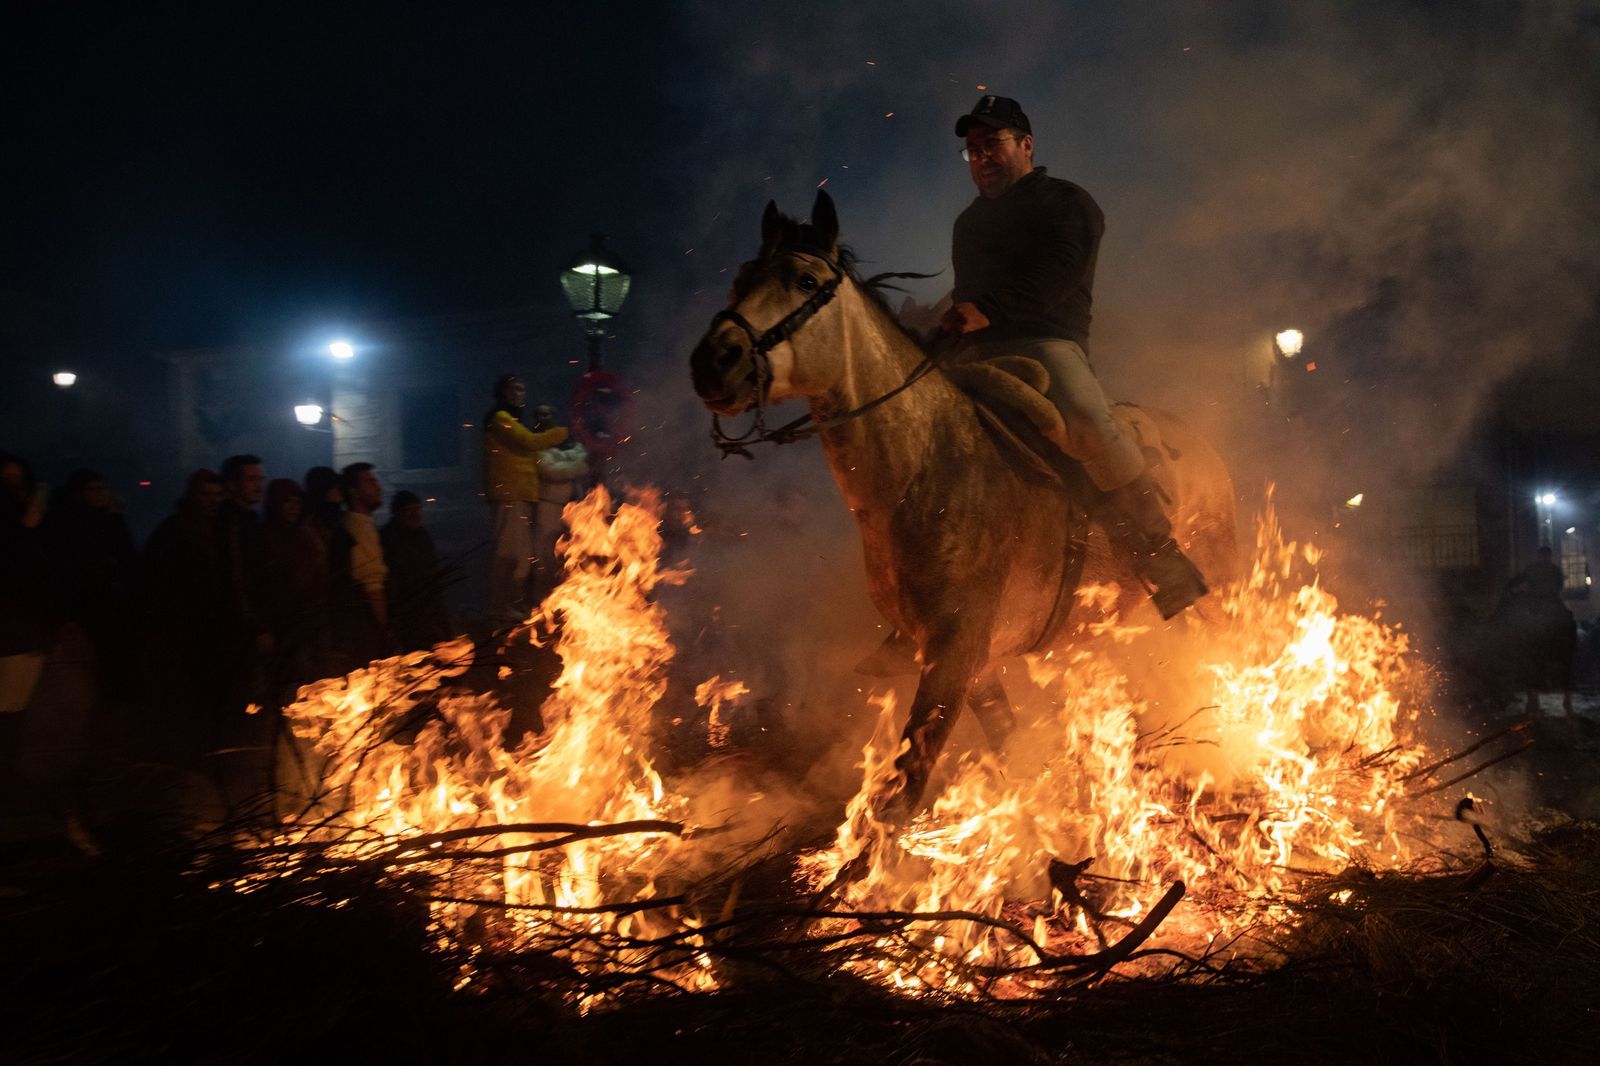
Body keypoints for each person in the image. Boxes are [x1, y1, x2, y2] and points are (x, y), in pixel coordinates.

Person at [945, 95, 1207, 618]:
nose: (981, 157)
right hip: (979, 352)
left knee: (1086, 422)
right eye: (972, 149)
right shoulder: (967, 224)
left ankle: (1162, 556)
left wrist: (988, 310)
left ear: (1025, 145)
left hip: (1047, 345)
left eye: (991, 144)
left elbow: (1058, 276)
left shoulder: (1066, 203)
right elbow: (968, 299)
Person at [142, 469, 229, 763]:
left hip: (207, 638)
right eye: (206, 495)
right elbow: (156, 586)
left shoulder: (214, 532)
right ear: (193, 495)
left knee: (204, 708)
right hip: (179, 639)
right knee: (182, 709)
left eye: (217, 495)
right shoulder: (174, 532)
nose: (212, 501)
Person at [41, 468, 140, 702]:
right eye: (93, 490)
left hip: (106, 599)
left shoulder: (107, 519)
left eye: (102, 489)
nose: (100, 494)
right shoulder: (70, 524)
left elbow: (126, 558)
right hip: (87, 602)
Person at [481, 375, 568, 627]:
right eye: (514, 388)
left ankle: (511, 604)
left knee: (521, 556)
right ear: (502, 392)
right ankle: (499, 606)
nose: (520, 393)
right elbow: (530, 442)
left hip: (519, 496)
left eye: (522, 388)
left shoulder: (511, 420)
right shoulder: (500, 419)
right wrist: (565, 432)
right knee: (507, 553)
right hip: (508, 495)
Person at [0, 452, 55, 794]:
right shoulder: (19, 530)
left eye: (19, 481)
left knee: (12, 712)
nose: (15, 490)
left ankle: (8, 775)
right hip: (15, 632)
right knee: (8, 711)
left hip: (23, 633)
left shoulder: (36, 528)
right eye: (7, 483)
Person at [261, 478, 330, 696]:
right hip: (281, 628)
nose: (293, 508)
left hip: (310, 625)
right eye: (286, 502)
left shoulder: (307, 537)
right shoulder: (264, 538)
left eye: (297, 502)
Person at [327, 462, 389, 667]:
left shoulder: (356, 524)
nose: (377, 486)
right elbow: (372, 586)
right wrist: (384, 631)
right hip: (363, 632)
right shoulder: (358, 529)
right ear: (354, 492)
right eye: (369, 482)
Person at [381, 490, 451, 651]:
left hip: (427, 611)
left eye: (417, 510)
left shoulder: (422, 535)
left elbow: (432, 573)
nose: (415, 515)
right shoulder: (388, 539)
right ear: (397, 513)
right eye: (409, 511)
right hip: (406, 615)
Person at [531, 405, 589, 590]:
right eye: (541, 414)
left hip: (571, 508)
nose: (545, 417)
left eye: (548, 413)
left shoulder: (566, 442)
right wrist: (575, 467)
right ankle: (542, 599)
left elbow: (581, 456)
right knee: (545, 555)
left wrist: (570, 465)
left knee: (571, 554)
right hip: (547, 505)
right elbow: (550, 471)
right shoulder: (535, 442)